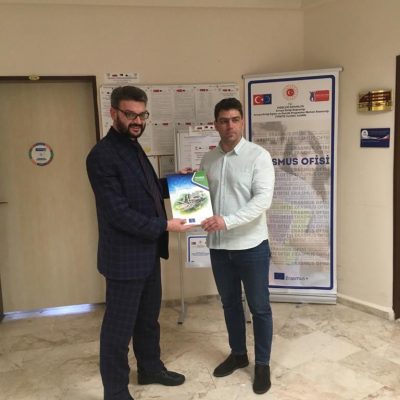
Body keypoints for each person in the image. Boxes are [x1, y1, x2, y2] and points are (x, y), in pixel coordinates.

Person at [86, 86, 191, 400]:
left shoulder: (133, 147)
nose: (137, 121)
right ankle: (116, 391)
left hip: (148, 254)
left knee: (147, 320)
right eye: (130, 114)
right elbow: (118, 213)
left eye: (142, 115)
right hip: (124, 260)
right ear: (113, 113)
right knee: (118, 330)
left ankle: (150, 369)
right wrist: (165, 225)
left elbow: (146, 189)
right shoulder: (102, 156)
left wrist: (178, 181)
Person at [200, 98, 275, 394]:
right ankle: (239, 354)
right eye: (223, 120)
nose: (229, 125)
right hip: (219, 248)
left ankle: (263, 364)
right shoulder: (208, 160)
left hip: (251, 246)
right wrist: (188, 188)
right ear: (216, 124)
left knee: (259, 307)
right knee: (229, 303)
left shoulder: (258, 156)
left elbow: (262, 200)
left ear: (242, 121)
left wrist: (227, 221)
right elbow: (202, 199)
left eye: (234, 119)